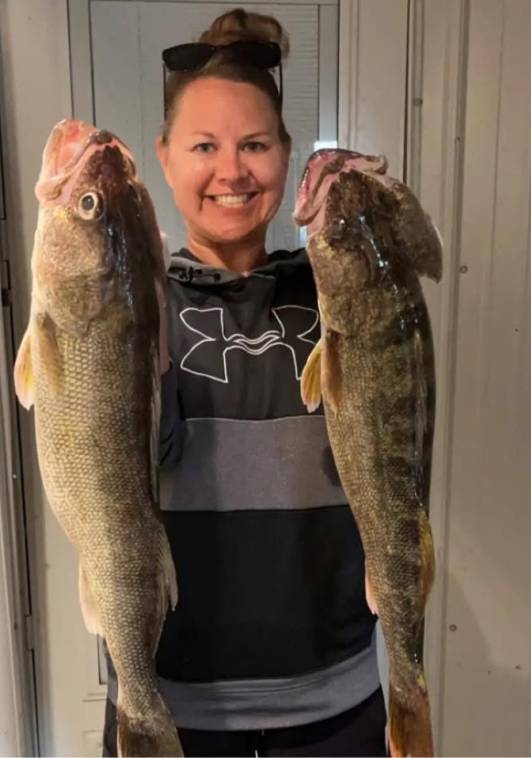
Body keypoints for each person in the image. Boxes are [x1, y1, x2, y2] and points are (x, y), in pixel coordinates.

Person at [102, 8, 386, 757]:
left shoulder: (334, 289)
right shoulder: (129, 303)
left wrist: (371, 224)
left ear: (289, 157)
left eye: (254, 145)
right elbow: (127, 455)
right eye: (204, 146)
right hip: (170, 704)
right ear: (164, 158)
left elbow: (395, 410)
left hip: (335, 700)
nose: (231, 171)